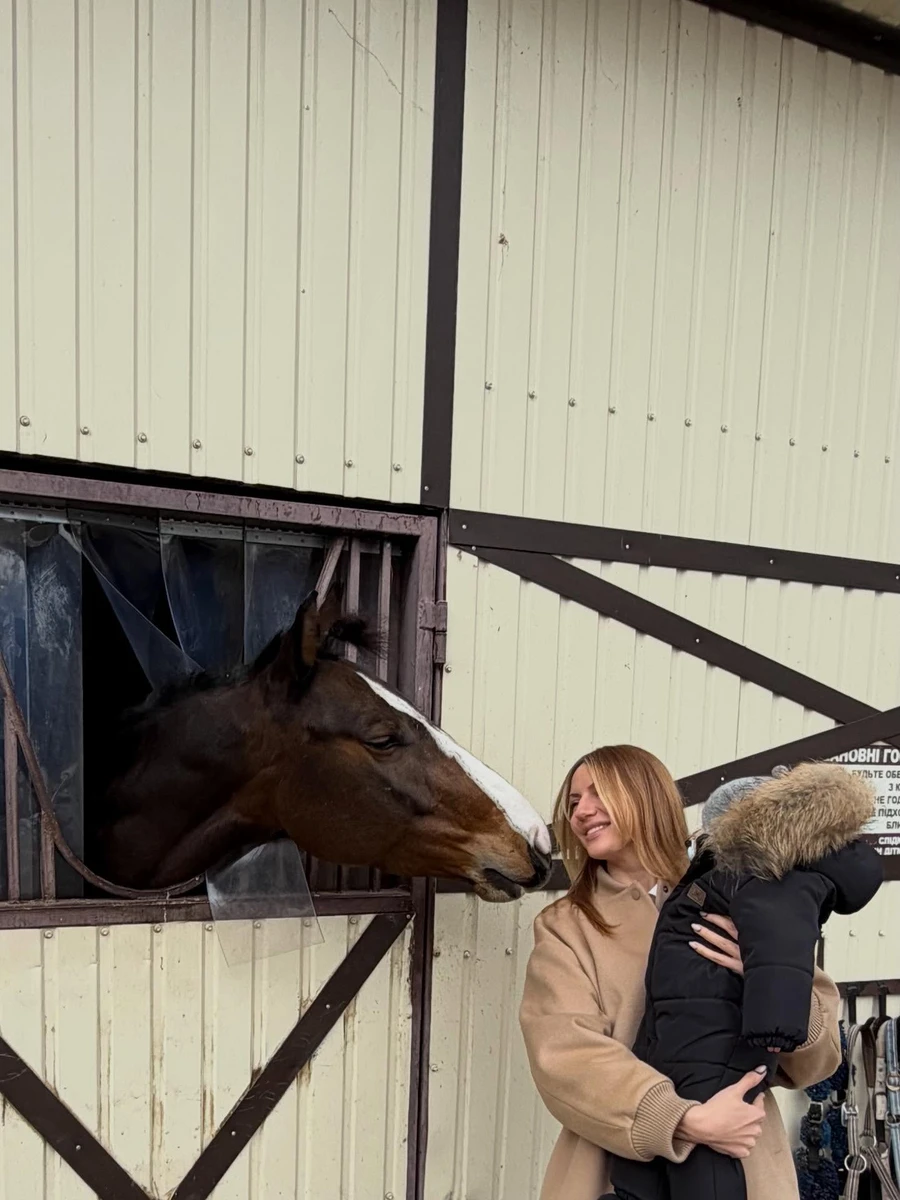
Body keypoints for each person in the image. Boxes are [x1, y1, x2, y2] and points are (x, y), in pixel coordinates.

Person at [519, 746, 844, 1200]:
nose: (581, 812)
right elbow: (566, 1057)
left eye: (598, 793)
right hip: (610, 1171)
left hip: (746, 1163)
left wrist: (767, 980)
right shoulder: (565, 927)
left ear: (647, 796)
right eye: (573, 803)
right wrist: (683, 1121)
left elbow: (819, 1058)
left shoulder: (745, 892)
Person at [604, 762, 883, 1200]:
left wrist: (770, 1011)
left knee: (705, 1168)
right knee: (653, 1169)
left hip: (722, 1067)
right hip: (668, 1064)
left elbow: (811, 1037)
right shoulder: (711, 886)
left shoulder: (767, 884)